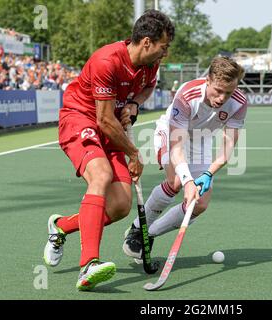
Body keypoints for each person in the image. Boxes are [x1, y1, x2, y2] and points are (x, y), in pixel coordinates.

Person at [42, 10, 175, 291]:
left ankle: (62, 227)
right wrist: (134, 154)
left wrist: (134, 104)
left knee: (119, 207)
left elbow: (147, 88)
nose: (166, 52)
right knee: (100, 176)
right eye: (164, 46)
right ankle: (88, 264)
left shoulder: (151, 64)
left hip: (111, 125)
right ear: (147, 42)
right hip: (81, 119)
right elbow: (102, 120)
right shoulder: (107, 61)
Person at [122, 56, 247, 260]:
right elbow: (176, 146)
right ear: (208, 80)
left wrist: (208, 173)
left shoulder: (239, 104)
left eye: (229, 92)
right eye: (218, 90)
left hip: (201, 141)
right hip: (172, 134)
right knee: (176, 182)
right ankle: (137, 228)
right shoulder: (188, 95)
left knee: (200, 204)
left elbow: (227, 148)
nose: (223, 98)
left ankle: (149, 234)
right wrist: (189, 181)